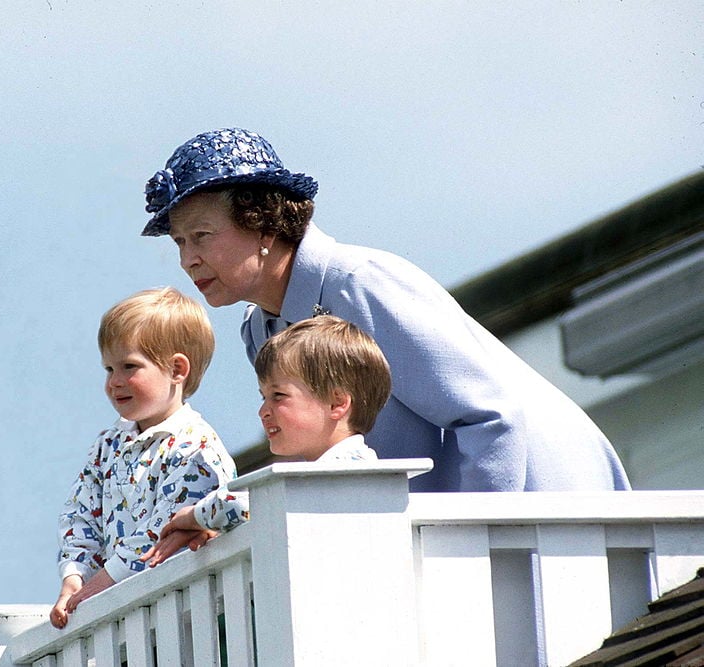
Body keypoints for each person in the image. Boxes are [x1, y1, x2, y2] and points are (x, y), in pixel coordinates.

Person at [141, 127, 630, 493]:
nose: (188, 260)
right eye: (180, 242)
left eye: (202, 236)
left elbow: (489, 415)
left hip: (550, 508)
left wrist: (468, 553)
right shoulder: (260, 329)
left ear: (263, 223)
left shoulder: (359, 283)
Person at [50, 287, 236, 629]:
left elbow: (166, 527)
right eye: (108, 368)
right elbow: (81, 512)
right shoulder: (109, 443)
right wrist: (74, 577)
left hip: (186, 614)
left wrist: (101, 583)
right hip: (122, 618)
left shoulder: (195, 446)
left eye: (129, 366)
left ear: (177, 369)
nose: (114, 382)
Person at [142, 315, 392, 567]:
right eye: (264, 397)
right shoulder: (328, 472)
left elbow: (247, 503)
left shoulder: (347, 468)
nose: (263, 411)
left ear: (337, 403)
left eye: (278, 395)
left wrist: (193, 516)